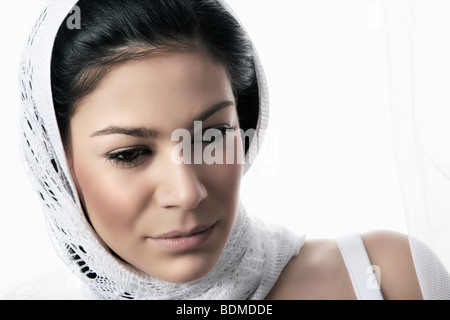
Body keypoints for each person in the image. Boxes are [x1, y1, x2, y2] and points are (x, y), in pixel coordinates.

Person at [3, 0, 422, 299]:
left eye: (211, 137)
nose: (187, 191)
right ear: (56, 166)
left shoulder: (384, 276)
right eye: (130, 153)